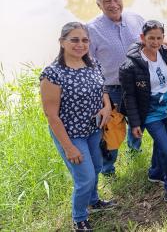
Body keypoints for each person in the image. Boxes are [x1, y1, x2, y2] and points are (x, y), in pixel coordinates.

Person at [40, 22, 116, 232]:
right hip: (71, 134)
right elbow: (51, 115)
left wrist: (107, 106)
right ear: (62, 42)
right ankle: (79, 218)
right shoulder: (53, 74)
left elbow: (103, 90)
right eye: (74, 40)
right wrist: (69, 147)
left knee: (98, 167)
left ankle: (94, 201)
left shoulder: (93, 64)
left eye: (84, 40)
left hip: (93, 129)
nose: (80, 44)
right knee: (85, 177)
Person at [119, 20, 167, 202]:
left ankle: (155, 173)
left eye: (159, 38)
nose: (155, 42)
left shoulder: (163, 52)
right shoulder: (130, 66)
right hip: (150, 112)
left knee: (162, 144)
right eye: (151, 38)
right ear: (142, 38)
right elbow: (129, 97)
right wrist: (135, 123)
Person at [88, 0, 145, 176]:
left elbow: (151, 43)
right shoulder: (91, 29)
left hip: (138, 84)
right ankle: (108, 167)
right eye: (107, 1)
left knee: (137, 121)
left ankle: (134, 152)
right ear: (99, 5)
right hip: (111, 88)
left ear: (122, 0)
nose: (113, 4)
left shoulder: (136, 19)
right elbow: (88, 63)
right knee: (111, 129)